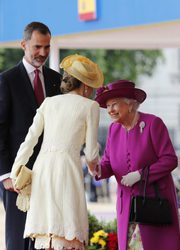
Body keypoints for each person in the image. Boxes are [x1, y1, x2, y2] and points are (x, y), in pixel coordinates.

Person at [10, 54, 103, 249]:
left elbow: (30, 140)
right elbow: (92, 153)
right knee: (68, 228)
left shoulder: (48, 103)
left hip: (42, 169)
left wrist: (16, 171)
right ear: (85, 85)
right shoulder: (91, 106)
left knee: (47, 230)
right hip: (68, 167)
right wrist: (95, 169)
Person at [92, 80, 180, 250]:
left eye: (114, 104)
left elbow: (170, 159)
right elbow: (108, 163)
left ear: (130, 104)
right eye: (108, 105)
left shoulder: (153, 124)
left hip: (153, 204)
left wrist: (141, 174)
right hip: (127, 206)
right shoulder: (114, 129)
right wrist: (96, 168)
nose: (110, 110)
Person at [0, 21, 62, 250]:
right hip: (17, 177)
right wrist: (6, 174)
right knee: (19, 239)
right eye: (37, 47)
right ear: (23, 44)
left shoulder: (56, 80)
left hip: (51, 173)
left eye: (47, 47)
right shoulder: (7, 80)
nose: (43, 53)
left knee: (47, 237)